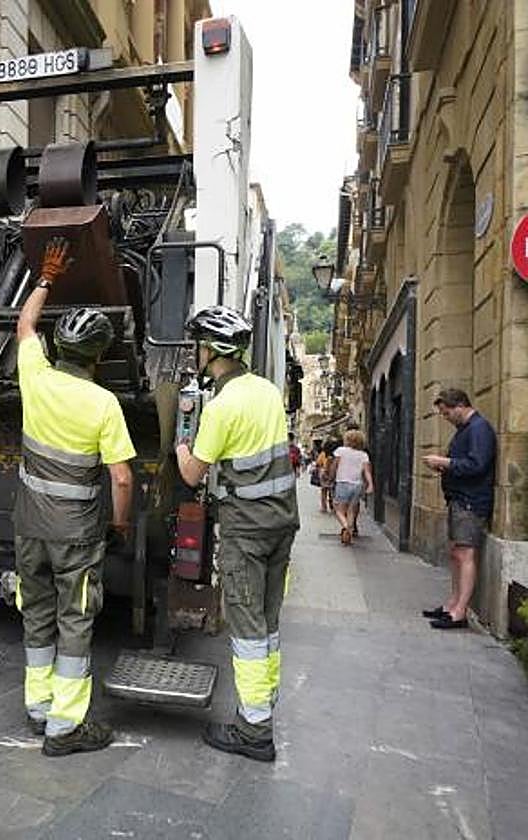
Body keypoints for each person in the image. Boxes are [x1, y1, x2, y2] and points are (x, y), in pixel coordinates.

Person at [13, 238, 136, 758]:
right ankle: (65, 727)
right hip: (76, 536)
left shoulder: (35, 378)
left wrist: (45, 277)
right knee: (75, 621)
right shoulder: (104, 403)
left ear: (59, 348)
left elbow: (23, 327)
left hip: (29, 529)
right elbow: (123, 478)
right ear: (100, 356)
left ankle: (39, 708)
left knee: (36, 614)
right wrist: (121, 526)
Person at [176, 305, 298, 763]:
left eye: (199, 347)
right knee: (266, 626)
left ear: (210, 351)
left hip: (246, 530)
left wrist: (181, 440)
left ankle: (254, 732)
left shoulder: (222, 407)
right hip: (282, 525)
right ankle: (263, 708)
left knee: (247, 631)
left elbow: (191, 474)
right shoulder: (266, 391)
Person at [421, 388, 496, 630]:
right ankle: (452, 605)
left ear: (460, 405)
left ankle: (460, 611)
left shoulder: (479, 428)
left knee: (465, 554)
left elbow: (478, 464)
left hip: (471, 501)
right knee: (456, 553)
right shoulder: (467, 430)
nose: (446, 418)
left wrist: (446, 462)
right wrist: (446, 467)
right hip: (460, 499)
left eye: (446, 413)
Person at [330, 430, 375, 545]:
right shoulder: (363, 455)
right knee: (351, 510)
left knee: (338, 509)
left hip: (343, 483)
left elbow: (334, 466)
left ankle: (346, 527)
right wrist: (370, 484)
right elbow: (367, 471)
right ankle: (350, 529)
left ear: (347, 440)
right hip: (357, 485)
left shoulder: (340, 451)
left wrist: (331, 477)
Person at [315, 443, 335, 513]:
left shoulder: (323, 454)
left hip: (324, 474)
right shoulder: (335, 454)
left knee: (324, 491)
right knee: (332, 491)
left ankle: (324, 507)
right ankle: (333, 506)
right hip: (333, 474)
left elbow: (318, 463)